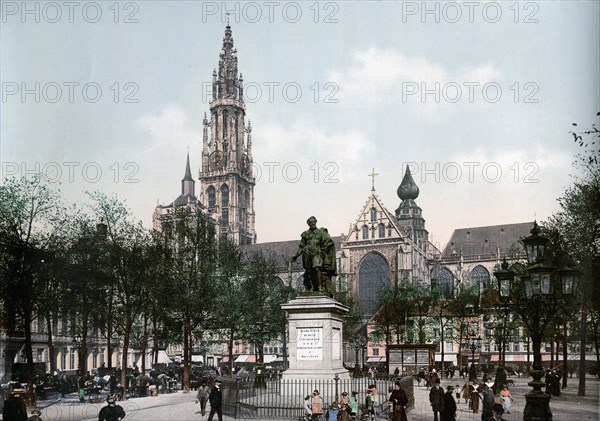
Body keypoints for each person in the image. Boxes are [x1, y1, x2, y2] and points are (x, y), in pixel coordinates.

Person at [291, 216, 337, 295]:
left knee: (316, 268)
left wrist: (323, 250)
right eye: (310, 223)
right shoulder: (305, 234)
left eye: (313, 222)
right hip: (307, 254)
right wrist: (296, 256)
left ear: (316, 222)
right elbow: (301, 247)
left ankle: (319, 287)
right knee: (308, 271)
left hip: (317, 254)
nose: (312, 224)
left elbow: (330, 242)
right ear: (308, 224)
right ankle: (310, 288)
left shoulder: (321, 232)